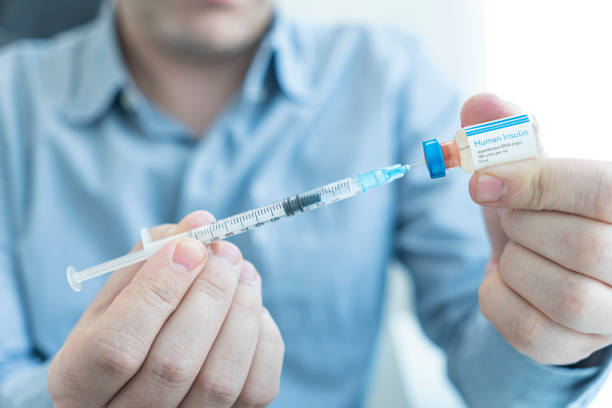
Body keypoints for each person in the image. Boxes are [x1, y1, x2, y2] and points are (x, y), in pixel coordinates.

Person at [0, 0, 611, 406]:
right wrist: (65, 397)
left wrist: (553, 319)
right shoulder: (11, 102)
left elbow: (487, 369)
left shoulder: (388, 76)